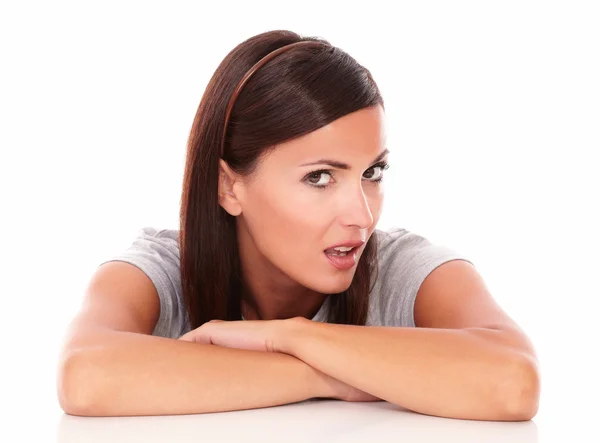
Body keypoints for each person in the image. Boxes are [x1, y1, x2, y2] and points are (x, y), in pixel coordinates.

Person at [56, 30, 540, 421]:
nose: (362, 216)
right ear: (230, 187)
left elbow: (514, 380)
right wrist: (325, 376)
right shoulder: (163, 268)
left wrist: (291, 336)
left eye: (372, 173)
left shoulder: (400, 268)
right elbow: (85, 376)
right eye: (320, 177)